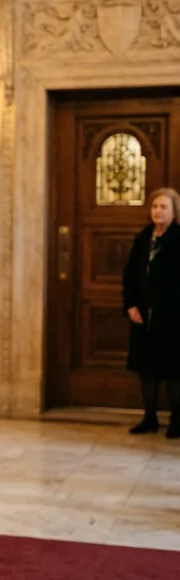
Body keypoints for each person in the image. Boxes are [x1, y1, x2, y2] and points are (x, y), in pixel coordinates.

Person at [123, 187, 180, 437]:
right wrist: (131, 305)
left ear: (174, 211)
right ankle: (149, 418)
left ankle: (177, 421)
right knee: (147, 369)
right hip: (143, 315)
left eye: (164, 207)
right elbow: (130, 276)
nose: (158, 211)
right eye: (155, 206)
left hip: (173, 316)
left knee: (173, 370)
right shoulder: (143, 238)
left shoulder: (179, 239)